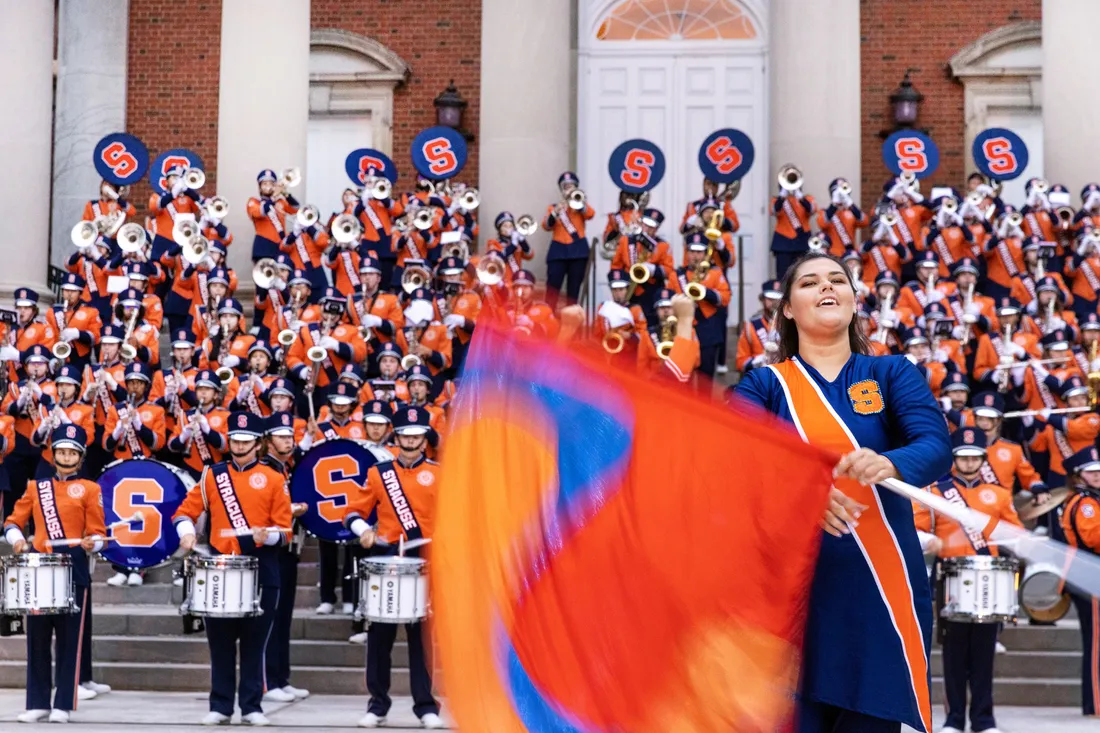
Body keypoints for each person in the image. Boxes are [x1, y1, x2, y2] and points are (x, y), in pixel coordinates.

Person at [734, 252, 952, 733]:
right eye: (809, 282)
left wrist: (892, 461)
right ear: (788, 309)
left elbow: (936, 446)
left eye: (837, 279)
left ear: (854, 301)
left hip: (879, 593)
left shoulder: (891, 372)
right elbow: (730, 453)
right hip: (790, 594)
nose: (826, 287)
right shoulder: (765, 384)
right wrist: (801, 490)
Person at [172, 411, 292, 726]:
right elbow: (185, 511)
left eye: (246, 441)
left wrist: (269, 535)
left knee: (255, 643)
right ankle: (221, 704)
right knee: (221, 643)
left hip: (261, 569)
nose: (239, 446)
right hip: (220, 570)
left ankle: (252, 706)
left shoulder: (274, 477)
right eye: (235, 440)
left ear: (258, 443)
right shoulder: (212, 475)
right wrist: (185, 530)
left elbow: (286, 531)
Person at [913, 427, 1021, 733]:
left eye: (975, 458)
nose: (970, 463)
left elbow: (1016, 534)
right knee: (953, 652)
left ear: (982, 460)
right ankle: (954, 719)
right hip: (951, 577)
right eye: (964, 458)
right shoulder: (935, 493)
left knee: (985, 653)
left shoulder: (999, 494)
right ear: (954, 460)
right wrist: (928, 540)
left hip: (989, 579)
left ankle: (984, 720)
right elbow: (914, 528)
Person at [344, 407, 443, 729]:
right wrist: (364, 531)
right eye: (405, 434)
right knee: (379, 639)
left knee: (421, 640)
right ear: (396, 437)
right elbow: (352, 512)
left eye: (417, 434)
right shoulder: (378, 473)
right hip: (386, 562)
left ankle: (426, 706)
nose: (411, 440)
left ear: (424, 437)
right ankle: (377, 706)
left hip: (425, 560)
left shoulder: (440, 473)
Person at [4, 424, 106, 724]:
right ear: (52, 454)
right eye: (60, 451)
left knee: (69, 640)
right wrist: (17, 539)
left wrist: (93, 542)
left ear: (80, 456)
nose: (65, 456)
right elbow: (12, 521)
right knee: (36, 639)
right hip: (39, 570)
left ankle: (63, 703)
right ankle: (37, 703)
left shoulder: (90, 488)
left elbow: (99, 532)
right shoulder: (37, 487)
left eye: (71, 452)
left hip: (73, 568)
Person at [261, 411, 311, 704]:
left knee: (284, 617)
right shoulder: (266, 469)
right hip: (271, 550)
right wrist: (289, 510)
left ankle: (282, 677)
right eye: (281, 436)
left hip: (287, 549)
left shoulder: (284, 467)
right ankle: (268, 681)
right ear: (268, 441)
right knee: (271, 618)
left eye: (290, 436)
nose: (288, 441)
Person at [1060, 445, 1100, 717]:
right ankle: (1096, 703)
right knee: (1096, 643)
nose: (1097, 476)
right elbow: (1094, 538)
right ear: (1079, 475)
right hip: (1089, 577)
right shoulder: (1085, 503)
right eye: (1091, 472)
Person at [542, 171, 596, 309]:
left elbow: (591, 214)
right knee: (553, 289)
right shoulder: (554, 207)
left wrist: (579, 203)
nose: (568, 188)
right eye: (565, 186)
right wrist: (556, 211)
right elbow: (546, 226)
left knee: (573, 291)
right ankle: (549, 318)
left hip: (578, 251)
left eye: (571, 186)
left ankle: (572, 322)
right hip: (558, 251)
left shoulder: (580, 206)